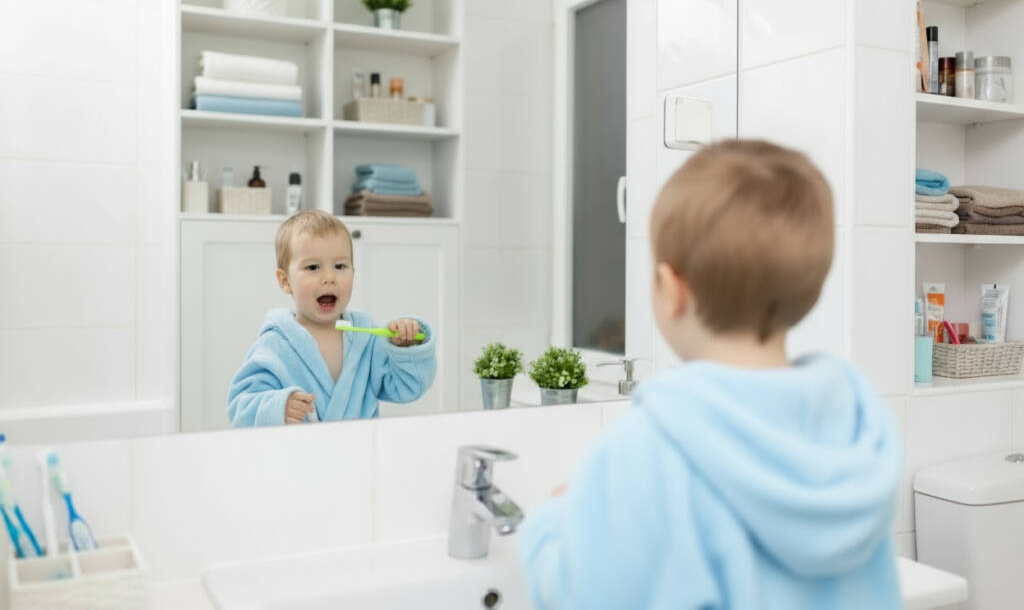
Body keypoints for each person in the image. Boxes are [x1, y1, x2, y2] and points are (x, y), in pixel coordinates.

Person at [519, 140, 902, 609]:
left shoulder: (651, 447)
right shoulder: (855, 431)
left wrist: (549, 523)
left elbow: (582, 598)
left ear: (669, 289)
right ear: (812, 290)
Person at [227, 210, 435, 426]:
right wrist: (277, 407)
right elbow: (240, 406)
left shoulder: (367, 339)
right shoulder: (275, 345)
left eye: (339, 266)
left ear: (353, 272)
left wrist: (406, 349)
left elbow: (408, 388)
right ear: (285, 280)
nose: (329, 278)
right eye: (313, 267)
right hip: (299, 456)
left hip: (357, 454)